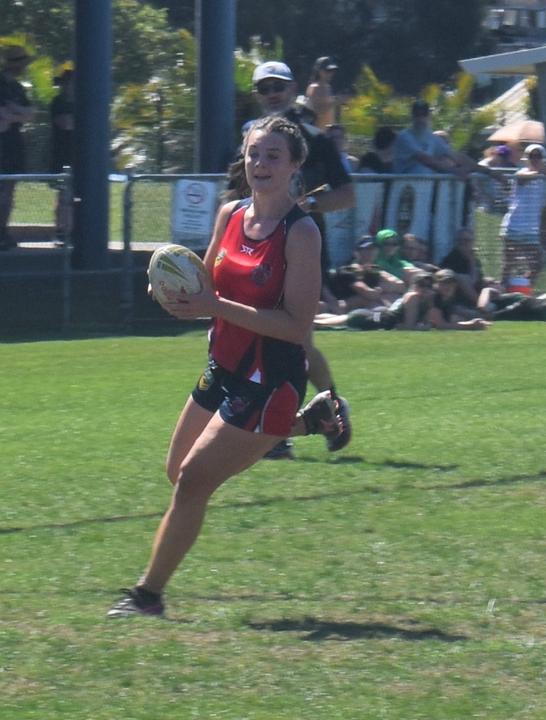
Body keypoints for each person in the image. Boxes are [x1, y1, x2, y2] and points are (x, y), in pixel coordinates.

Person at [107, 117, 348, 618]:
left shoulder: (300, 232)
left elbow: (296, 324)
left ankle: (146, 597)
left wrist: (213, 306)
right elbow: (204, 280)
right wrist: (173, 290)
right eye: (254, 154)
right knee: (178, 475)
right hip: (222, 366)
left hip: (271, 375)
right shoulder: (230, 215)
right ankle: (311, 420)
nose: (260, 165)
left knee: (194, 481)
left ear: (295, 165)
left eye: (273, 156)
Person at [251, 60, 355, 459]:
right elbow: (234, 194)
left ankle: (280, 432)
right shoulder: (250, 139)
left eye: (279, 86)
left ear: (293, 88)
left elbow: (345, 194)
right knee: (284, 342)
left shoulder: (315, 138)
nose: (273, 94)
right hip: (257, 250)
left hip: (301, 251)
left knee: (291, 342)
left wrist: (305, 204)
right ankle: (329, 407)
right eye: (265, 88)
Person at [499, 144, 546, 284]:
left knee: (537, 264)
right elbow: (523, 177)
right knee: (509, 265)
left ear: (543, 158)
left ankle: (523, 287)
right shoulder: (522, 173)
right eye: (532, 156)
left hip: (531, 229)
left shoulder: (544, 178)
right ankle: (502, 290)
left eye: (538, 156)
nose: (535, 159)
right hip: (514, 226)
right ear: (527, 158)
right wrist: (545, 171)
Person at [392, 99, 488, 178]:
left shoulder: (431, 137)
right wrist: (453, 171)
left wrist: (488, 172)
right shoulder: (404, 137)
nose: (420, 119)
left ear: (429, 116)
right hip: (404, 191)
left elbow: (455, 155)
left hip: (426, 190)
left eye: (424, 114)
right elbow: (425, 159)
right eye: (417, 115)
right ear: (412, 116)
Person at [0, 46, 35, 251]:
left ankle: (2, 231)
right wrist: (16, 115)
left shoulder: (18, 88)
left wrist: (13, 114)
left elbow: (31, 113)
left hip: (14, 144)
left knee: (9, 191)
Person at [315, 273, 433, 331]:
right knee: (325, 325)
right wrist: (423, 328)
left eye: (429, 286)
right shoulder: (413, 297)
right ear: (414, 286)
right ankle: (311, 321)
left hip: (378, 315)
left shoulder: (424, 300)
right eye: (422, 285)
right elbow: (409, 326)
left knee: (346, 318)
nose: (425, 289)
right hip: (379, 319)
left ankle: (312, 318)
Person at [439, 226, 499, 307]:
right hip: (459, 294)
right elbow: (471, 282)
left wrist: (488, 280)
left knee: (495, 283)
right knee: (463, 278)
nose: (463, 243)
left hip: (475, 290)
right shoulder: (452, 258)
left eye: (467, 241)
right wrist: (472, 262)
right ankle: (481, 305)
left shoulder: (473, 257)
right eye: (460, 241)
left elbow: (478, 278)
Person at [49, 67, 74, 239]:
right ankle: (61, 229)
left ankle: (74, 229)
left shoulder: (83, 103)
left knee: (76, 195)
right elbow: (65, 123)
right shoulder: (57, 102)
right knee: (64, 193)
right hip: (62, 153)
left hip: (79, 155)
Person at [424, 269, 491, 330]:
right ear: (436, 284)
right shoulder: (433, 297)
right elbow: (441, 325)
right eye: (443, 283)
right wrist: (471, 325)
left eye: (450, 282)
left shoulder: (451, 296)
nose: (447, 286)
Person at [305, 56, 339, 128]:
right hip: (316, 132)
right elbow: (318, 111)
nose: (330, 74)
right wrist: (337, 101)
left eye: (332, 71)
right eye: (328, 71)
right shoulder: (315, 87)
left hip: (326, 132)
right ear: (319, 71)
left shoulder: (327, 87)